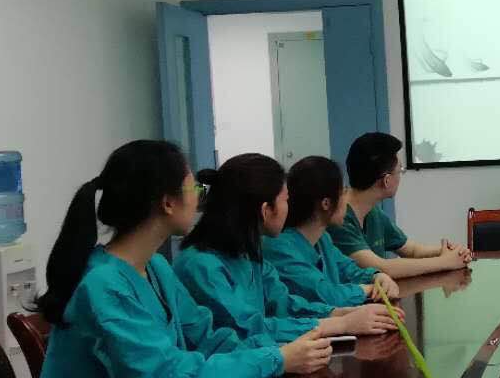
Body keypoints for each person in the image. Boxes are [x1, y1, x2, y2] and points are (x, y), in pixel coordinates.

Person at [24, 140, 332, 378]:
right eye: (193, 188)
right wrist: (276, 360)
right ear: (167, 203)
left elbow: (207, 336)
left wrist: (287, 351)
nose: (200, 197)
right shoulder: (103, 285)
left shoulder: (155, 267)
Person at [174, 153, 398, 344]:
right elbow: (246, 328)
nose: (289, 207)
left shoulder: (248, 253)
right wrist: (340, 323)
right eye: (285, 200)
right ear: (266, 210)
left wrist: (340, 313)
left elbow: (284, 304)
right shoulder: (201, 266)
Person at [329, 132, 473, 279]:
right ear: (386, 181)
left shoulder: (372, 212)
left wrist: (449, 252)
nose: (400, 176)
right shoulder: (339, 219)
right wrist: (445, 262)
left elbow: (411, 250)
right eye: (400, 170)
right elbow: (382, 268)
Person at [264, 156, 399, 308]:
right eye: (343, 192)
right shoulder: (279, 248)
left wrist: (377, 276)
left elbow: (348, 270)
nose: (346, 199)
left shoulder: (322, 239)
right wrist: (368, 289)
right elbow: (326, 295)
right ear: (326, 203)